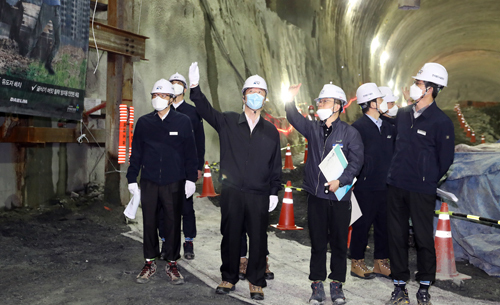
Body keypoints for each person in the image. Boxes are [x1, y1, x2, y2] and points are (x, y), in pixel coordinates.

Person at [188, 62, 282, 301]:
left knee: (259, 238)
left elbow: (275, 165)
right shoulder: (228, 121)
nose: (256, 96)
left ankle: (256, 282)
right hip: (232, 192)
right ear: (243, 97)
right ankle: (229, 277)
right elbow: (206, 110)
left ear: (265, 99)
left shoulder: (271, 131)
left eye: (260, 93)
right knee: (230, 235)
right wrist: (195, 88)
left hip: (259, 194)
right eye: (252, 92)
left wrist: (274, 191)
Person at [285, 83, 364, 305]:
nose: (320, 104)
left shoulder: (350, 134)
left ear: (338, 106)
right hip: (317, 197)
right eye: (320, 101)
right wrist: (289, 99)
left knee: (339, 243)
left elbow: (356, 163)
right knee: (318, 243)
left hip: (340, 197)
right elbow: (293, 117)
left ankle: (337, 284)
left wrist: (341, 181)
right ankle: (317, 283)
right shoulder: (313, 129)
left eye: (326, 101)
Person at [385, 63, 454, 305]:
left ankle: (424, 286)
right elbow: (396, 147)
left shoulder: (441, 122)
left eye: (419, 84)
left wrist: (427, 178)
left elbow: (445, 160)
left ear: (431, 89)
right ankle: (399, 285)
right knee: (396, 236)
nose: (415, 87)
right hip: (396, 185)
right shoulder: (403, 115)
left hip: (421, 189)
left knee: (424, 239)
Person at [126, 79, 198, 285]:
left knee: (173, 222)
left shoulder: (183, 121)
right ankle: (149, 262)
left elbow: (190, 153)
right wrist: (132, 178)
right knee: (149, 222)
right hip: (149, 181)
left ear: (171, 98)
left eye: (163, 96)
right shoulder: (144, 122)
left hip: (173, 182)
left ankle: (172, 263)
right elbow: (136, 152)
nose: (158, 99)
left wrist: (191, 179)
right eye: (155, 96)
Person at [157, 72, 205, 261]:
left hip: (186, 167)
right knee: (164, 206)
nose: (176, 87)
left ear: (185, 88)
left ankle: (189, 241)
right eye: (172, 84)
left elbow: (199, 142)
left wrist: (198, 166)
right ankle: (165, 242)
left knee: (186, 206)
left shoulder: (192, 112)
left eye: (179, 84)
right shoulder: (161, 110)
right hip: (166, 169)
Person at [349, 83, 396, 280]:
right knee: (362, 224)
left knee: (384, 225)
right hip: (364, 186)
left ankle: (380, 262)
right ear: (371, 103)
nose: (383, 102)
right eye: (380, 99)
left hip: (385, 185)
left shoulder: (388, 126)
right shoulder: (358, 128)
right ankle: (357, 261)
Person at [25, 0, 61, 75]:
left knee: (58, 40)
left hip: (56, 9)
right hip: (47, 7)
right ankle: (26, 54)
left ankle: (48, 63)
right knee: (36, 33)